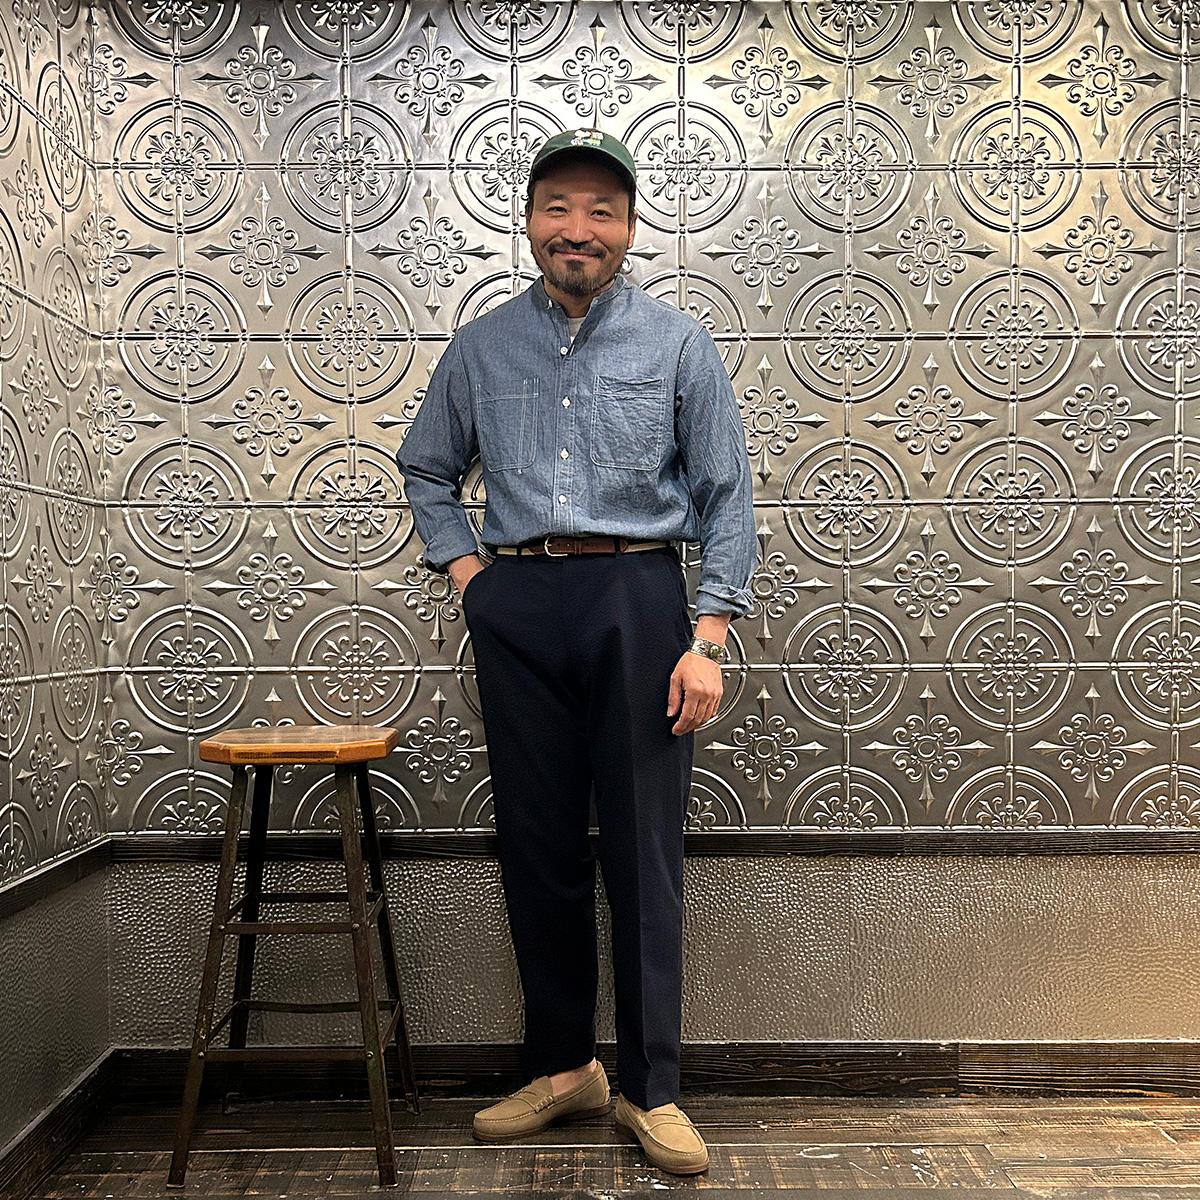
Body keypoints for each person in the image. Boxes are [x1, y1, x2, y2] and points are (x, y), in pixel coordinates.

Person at [394, 127, 756, 1177]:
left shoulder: (678, 344)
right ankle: (564, 1070)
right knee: (536, 843)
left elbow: (727, 495)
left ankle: (651, 1089)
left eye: (602, 210)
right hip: (518, 603)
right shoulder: (481, 348)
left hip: (639, 599)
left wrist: (708, 636)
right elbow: (426, 468)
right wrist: (473, 578)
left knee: (643, 851)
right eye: (558, 207)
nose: (578, 228)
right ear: (528, 222)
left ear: (629, 229)